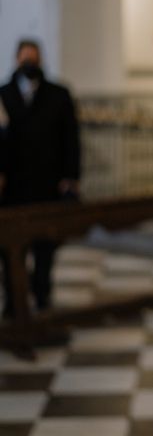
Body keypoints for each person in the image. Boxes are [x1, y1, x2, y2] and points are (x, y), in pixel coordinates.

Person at [0, 39, 80, 318]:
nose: (29, 64)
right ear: (16, 60)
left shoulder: (58, 95)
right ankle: (14, 303)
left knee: (45, 247)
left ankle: (42, 298)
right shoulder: (3, 94)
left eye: (33, 59)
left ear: (41, 60)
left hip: (47, 186)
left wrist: (71, 177)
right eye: (25, 59)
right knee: (12, 250)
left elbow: (71, 140)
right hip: (12, 190)